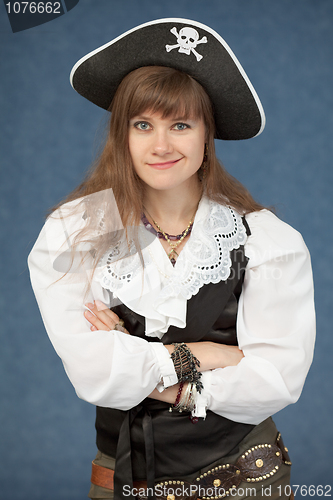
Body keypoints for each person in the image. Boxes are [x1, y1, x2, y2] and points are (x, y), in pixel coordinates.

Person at [28, 18, 315, 500]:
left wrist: (158, 376)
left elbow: (275, 380)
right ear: (123, 134)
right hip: (124, 480)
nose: (161, 145)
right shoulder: (73, 233)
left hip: (245, 479)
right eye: (143, 125)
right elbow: (94, 372)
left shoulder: (267, 240)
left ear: (207, 136)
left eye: (180, 125)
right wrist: (207, 355)